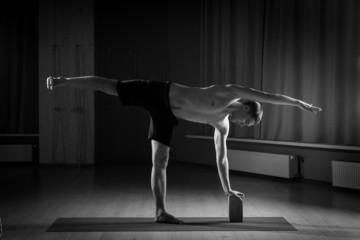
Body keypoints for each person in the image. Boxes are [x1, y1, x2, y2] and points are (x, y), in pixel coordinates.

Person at [46, 76, 322, 224]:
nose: (241, 125)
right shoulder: (228, 92)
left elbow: (221, 158)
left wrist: (227, 189)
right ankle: (65, 80)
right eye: (247, 122)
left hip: (167, 117)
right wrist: (299, 103)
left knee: (160, 162)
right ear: (247, 108)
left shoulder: (221, 124)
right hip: (160, 93)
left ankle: (160, 212)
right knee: (111, 87)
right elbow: (269, 97)